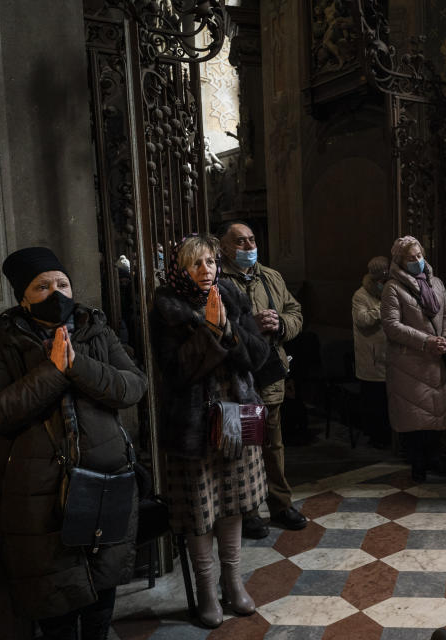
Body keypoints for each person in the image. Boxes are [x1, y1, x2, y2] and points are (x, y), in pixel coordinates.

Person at [0, 247, 146, 639]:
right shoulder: (6, 345)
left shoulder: (95, 330)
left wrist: (77, 366)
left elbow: (132, 385)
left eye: (62, 284)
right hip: (39, 499)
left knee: (101, 604)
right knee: (57, 614)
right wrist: (51, 372)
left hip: (103, 482)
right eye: (42, 287)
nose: (57, 294)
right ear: (22, 297)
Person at [151, 234, 270, 628]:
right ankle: (206, 590)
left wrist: (231, 333)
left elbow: (257, 355)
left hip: (234, 416)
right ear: (180, 270)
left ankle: (233, 582)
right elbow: (178, 371)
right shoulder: (168, 309)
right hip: (193, 424)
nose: (207, 271)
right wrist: (209, 331)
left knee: (233, 503)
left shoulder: (232, 296)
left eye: (211, 262)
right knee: (202, 508)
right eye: (196, 264)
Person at [217, 221, 307, 538]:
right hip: (238, 378)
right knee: (245, 443)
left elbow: (296, 311)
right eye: (240, 242)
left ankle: (281, 505)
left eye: (252, 240)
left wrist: (281, 323)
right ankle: (250, 510)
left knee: (272, 443)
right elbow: (214, 327)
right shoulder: (216, 280)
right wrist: (251, 325)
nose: (248, 246)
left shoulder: (271, 277)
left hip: (269, 374)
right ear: (224, 246)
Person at [381, 236, 446, 482]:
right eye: (411, 258)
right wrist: (425, 341)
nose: (417, 261)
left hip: (437, 359)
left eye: (419, 256)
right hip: (409, 363)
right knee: (414, 417)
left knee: (436, 415)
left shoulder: (436, 283)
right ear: (400, 261)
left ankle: (436, 458)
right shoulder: (392, 288)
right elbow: (392, 326)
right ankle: (417, 463)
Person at [352, 255, 392, 449]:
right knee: (374, 401)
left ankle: (387, 435)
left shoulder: (389, 292)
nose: (383, 284)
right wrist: (381, 308)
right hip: (371, 358)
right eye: (380, 281)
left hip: (389, 356)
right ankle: (377, 437)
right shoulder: (361, 295)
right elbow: (363, 320)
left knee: (386, 400)